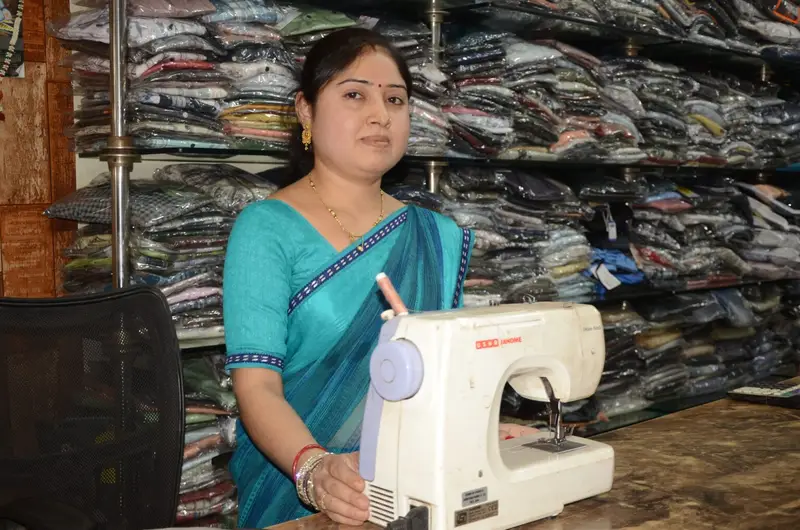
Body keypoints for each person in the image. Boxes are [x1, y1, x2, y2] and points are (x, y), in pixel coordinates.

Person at [223, 28, 537, 529]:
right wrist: (315, 469)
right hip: (298, 496)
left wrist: (483, 433)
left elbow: (446, 380)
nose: (380, 115)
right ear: (305, 110)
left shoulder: (434, 234)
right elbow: (257, 385)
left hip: (417, 491)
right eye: (354, 95)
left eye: (395, 99)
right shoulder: (266, 228)